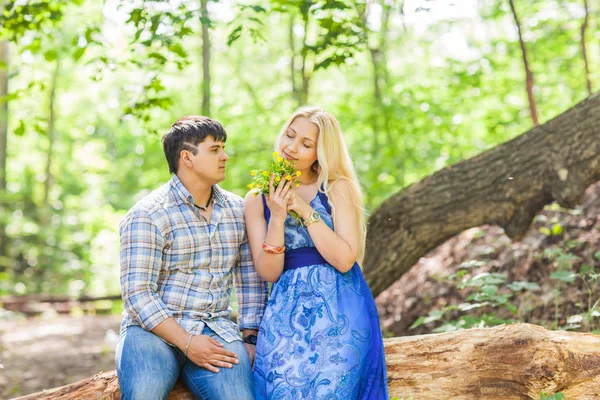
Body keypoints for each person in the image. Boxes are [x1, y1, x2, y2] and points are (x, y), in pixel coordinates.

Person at [116, 116, 268, 400]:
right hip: (151, 332)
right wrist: (187, 343)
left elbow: (251, 281)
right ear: (187, 157)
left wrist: (250, 338)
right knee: (144, 395)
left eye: (223, 147)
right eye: (215, 149)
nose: (225, 156)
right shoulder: (147, 214)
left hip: (215, 329)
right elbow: (138, 294)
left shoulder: (238, 210)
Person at [245, 107, 389, 399]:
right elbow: (270, 272)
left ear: (320, 151)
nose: (292, 147)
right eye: (290, 135)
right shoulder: (256, 198)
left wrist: (302, 207)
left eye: (306, 144)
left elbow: (345, 259)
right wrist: (277, 217)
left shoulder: (337, 188)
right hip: (286, 314)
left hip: (340, 310)